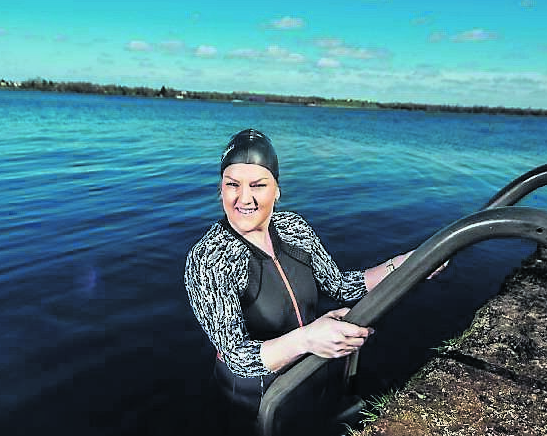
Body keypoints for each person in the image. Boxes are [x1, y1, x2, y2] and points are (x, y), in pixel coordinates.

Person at [185, 128, 434, 417]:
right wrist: (308, 339)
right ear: (220, 189)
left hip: (311, 370)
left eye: (258, 185)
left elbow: (340, 286)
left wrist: (401, 264)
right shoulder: (210, 257)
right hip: (256, 400)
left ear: (277, 189)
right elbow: (238, 356)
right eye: (232, 185)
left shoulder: (294, 229)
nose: (244, 198)